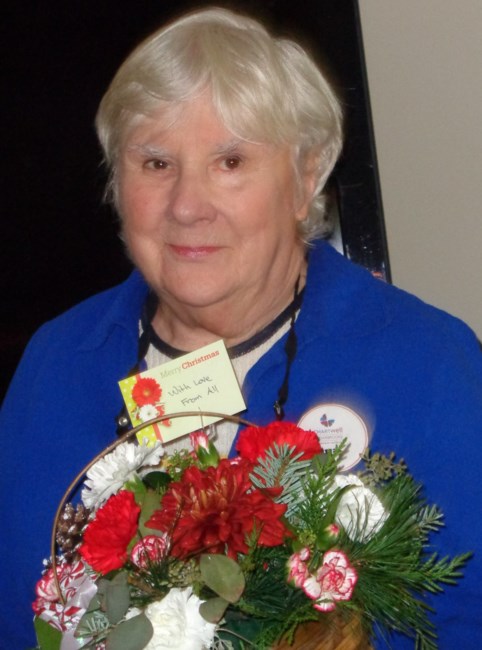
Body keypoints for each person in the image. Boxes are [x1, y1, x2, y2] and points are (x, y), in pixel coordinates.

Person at [1, 7, 482, 649]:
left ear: (306, 178)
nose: (187, 206)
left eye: (230, 161)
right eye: (156, 163)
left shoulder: (429, 366)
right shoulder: (56, 363)